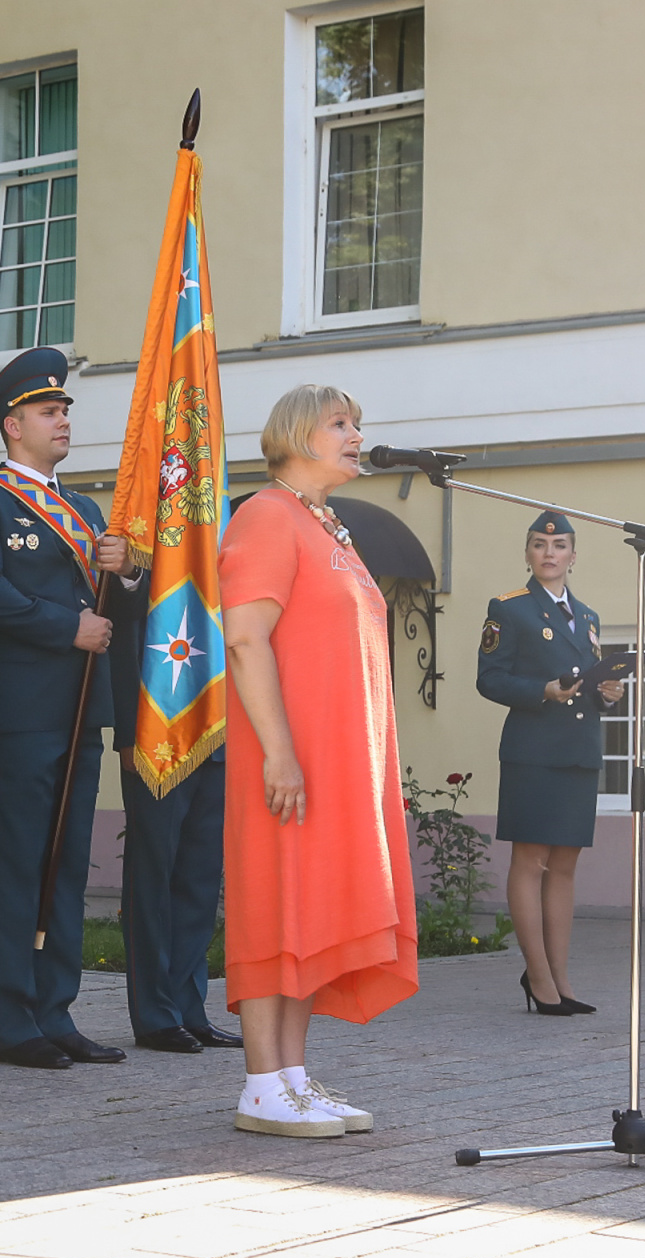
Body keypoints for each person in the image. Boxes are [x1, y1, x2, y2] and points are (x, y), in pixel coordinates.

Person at [217, 383, 418, 1138]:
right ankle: (260, 1082)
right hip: (286, 758)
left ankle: (292, 1078)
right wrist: (279, 753)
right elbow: (245, 640)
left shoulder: (324, 524)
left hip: (332, 764)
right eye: (341, 423)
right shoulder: (268, 516)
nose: (357, 435)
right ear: (299, 435)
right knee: (277, 902)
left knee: (310, 908)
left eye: (358, 423)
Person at [0, 347, 129, 1070]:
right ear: (13, 425)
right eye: (49, 412)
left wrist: (128, 567)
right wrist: (68, 627)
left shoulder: (83, 508)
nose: (62, 421)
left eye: (63, 411)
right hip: (22, 705)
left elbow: (113, 600)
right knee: (22, 858)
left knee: (68, 863)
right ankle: (15, 1020)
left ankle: (57, 1011)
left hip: (83, 705)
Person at [475, 511, 623, 1016]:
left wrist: (609, 692)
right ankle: (537, 979)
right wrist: (542, 690)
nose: (549, 553)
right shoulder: (509, 609)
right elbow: (489, 680)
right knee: (530, 861)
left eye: (559, 546)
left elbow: (592, 687)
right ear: (528, 554)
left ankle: (562, 980)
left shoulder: (589, 617)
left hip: (578, 751)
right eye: (539, 544)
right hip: (533, 753)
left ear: (573, 557)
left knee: (564, 867)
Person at [110, 578, 235, 1058]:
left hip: (215, 733)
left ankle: (189, 1008)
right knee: (153, 876)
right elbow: (124, 639)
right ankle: (155, 1014)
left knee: (199, 883)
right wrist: (126, 731)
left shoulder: (219, 550)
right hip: (157, 735)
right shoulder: (147, 555)